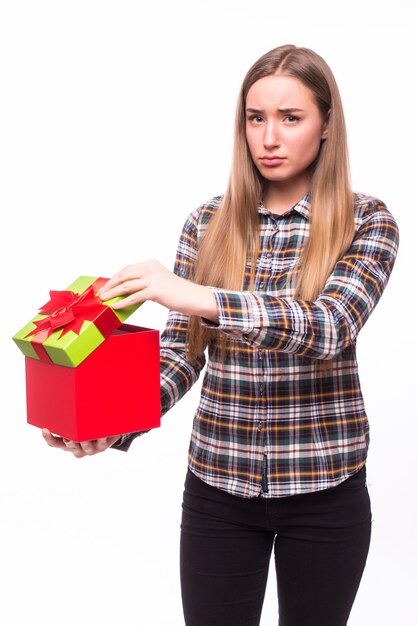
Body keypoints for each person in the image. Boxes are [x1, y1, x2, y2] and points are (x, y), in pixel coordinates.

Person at [42, 44, 400, 625]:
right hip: (218, 488)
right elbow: (181, 356)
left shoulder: (368, 222)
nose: (270, 138)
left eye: (291, 118)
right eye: (256, 118)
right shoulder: (208, 223)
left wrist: (202, 297)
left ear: (327, 125)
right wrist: (111, 421)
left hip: (325, 491)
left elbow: (331, 326)